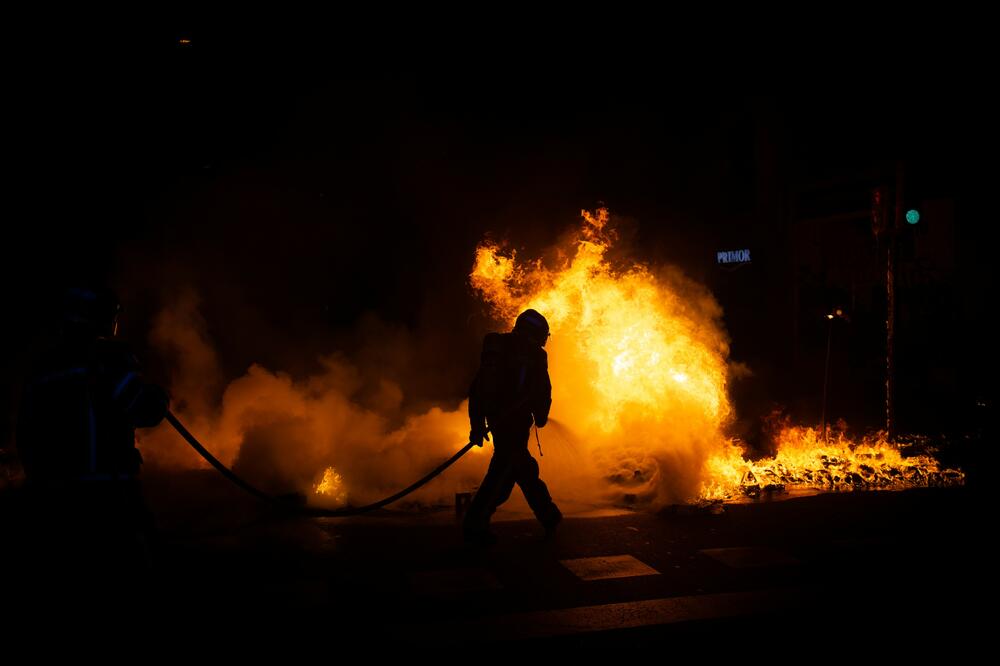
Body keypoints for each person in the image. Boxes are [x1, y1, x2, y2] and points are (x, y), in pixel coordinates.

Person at [15, 286, 169, 598]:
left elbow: (26, 432)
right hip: (110, 496)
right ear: (99, 319)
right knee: (136, 575)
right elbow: (143, 408)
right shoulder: (109, 359)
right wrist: (159, 397)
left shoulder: (43, 368)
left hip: (53, 501)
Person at [463, 309, 562, 545]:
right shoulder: (534, 357)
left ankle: (549, 516)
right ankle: (475, 524)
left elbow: (477, 392)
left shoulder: (501, 349)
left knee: (521, 470)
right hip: (511, 426)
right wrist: (541, 416)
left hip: (500, 422)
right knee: (502, 476)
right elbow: (543, 392)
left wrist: (477, 425)